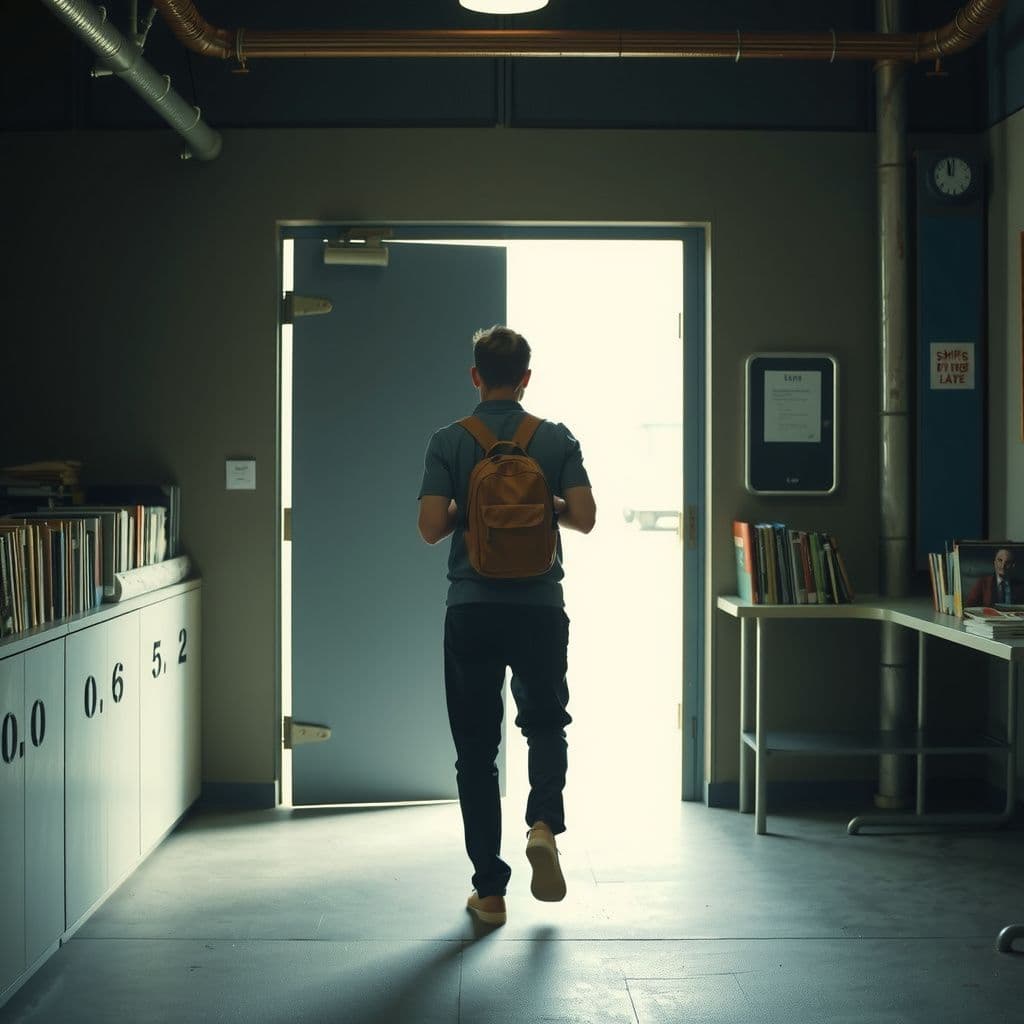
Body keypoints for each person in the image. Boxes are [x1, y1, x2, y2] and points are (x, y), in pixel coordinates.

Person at [417, 325, 596, 927]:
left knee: (476, 749)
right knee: (545, 723)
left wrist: (471, 509)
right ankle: (543, 823)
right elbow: (588, 518)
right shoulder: (554, 438)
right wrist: (542, 507)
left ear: (475, 376)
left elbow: (428, 528)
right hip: (540, 609)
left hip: (471, 608)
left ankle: (489, 891)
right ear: (526, 378)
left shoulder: (449, 440)